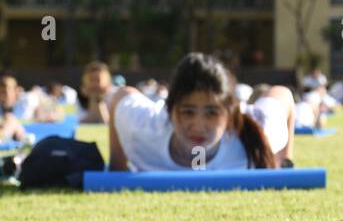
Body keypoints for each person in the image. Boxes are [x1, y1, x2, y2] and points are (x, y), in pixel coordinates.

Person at [107, 53, 295, 171]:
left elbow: (283, 95)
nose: (198, 126)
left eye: (211, 113)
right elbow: (120, 96)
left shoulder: (261, 132)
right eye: (188, 112)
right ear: (170, 110)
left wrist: (284, 162)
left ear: (228, 116)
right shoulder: (143, 128)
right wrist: (118, 166)